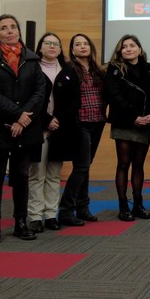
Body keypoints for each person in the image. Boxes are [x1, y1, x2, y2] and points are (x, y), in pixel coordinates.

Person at [0, 14, 46, 245]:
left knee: (21, 176)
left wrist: (23, 119)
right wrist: (17, 114)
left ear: (18, 31)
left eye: (13, 27)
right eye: (3, 28)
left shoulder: (31, 58)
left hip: (25, 128)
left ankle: (21, 222)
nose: (9, 31)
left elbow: (40, 91)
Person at [104, 34, 150, 222]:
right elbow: (115, 96)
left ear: (140, 49)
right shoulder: (114, 69)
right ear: (120, 51)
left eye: (132, 45)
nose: (128, 49)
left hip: (146, 122)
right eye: (124, 46)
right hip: (124, 122)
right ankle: (123, 206)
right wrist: (133, 117)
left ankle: (138, 204)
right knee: (124, 163)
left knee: (139, 164)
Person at [58, 34, 105, 226]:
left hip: (98, 121)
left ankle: (83, 208)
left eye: (86, 43)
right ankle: (66, 210)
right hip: (80, 123)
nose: (82, 47)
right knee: (81, 166)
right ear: (72, 49)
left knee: (86, 166)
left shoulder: (98, 70)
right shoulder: (68, 69)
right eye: (78, 44)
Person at [26, 33, 66, 233]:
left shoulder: (67, 70)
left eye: (56, 44)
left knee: (54, 175)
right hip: (37, 127)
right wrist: (47, 120)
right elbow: (31, 99)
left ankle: (51, 214)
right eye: (47, 43)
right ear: (40, 47)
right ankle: (34, 216)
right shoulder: (31, 68)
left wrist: (57, 119)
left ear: (60, 48)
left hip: (59, 128)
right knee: (36, 174)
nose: (52, 46)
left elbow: (71, 101)